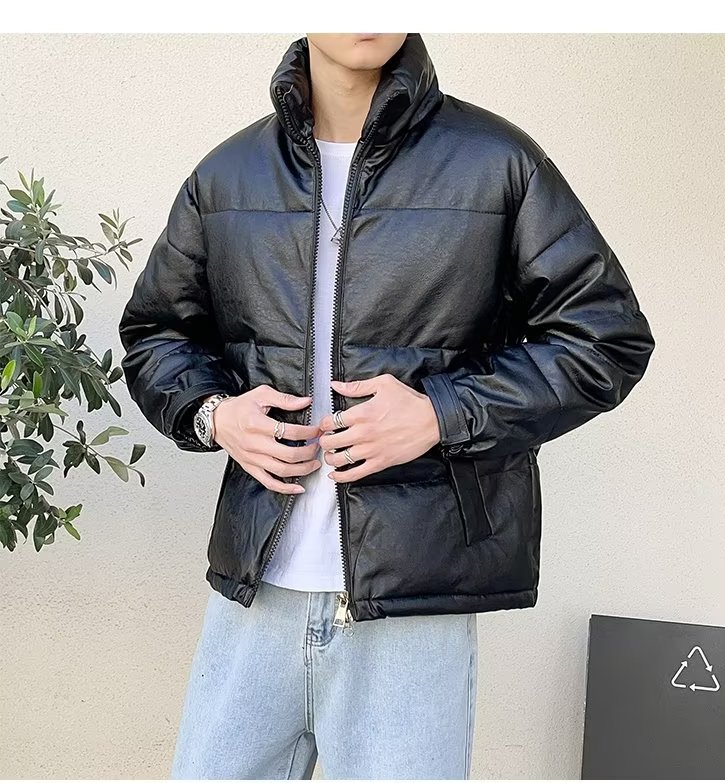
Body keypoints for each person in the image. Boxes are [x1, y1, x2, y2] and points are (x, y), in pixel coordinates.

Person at [118, 32, 655, 780]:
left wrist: (442, 413)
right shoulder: (228, 174)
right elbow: (156, 334)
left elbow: (606, 338)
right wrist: (215, 415)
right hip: (256, 595)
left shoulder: (496, 163)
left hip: (413, 605)